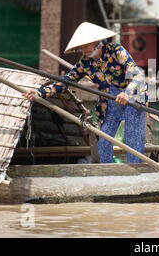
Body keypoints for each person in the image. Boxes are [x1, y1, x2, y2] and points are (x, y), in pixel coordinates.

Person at [23, 22, 147, 163]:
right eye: (81, 47)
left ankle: (137, 171)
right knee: (104, 140)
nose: (84, 49)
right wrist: (39, 93)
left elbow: (138, 75)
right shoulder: (84, 63)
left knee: (132, 138)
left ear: (98, 42)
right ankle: (108, 172)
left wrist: (126, 93)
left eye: (87, 45)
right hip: (110, 99)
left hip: (133, 95)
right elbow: (65, 82)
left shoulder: (116, 51)